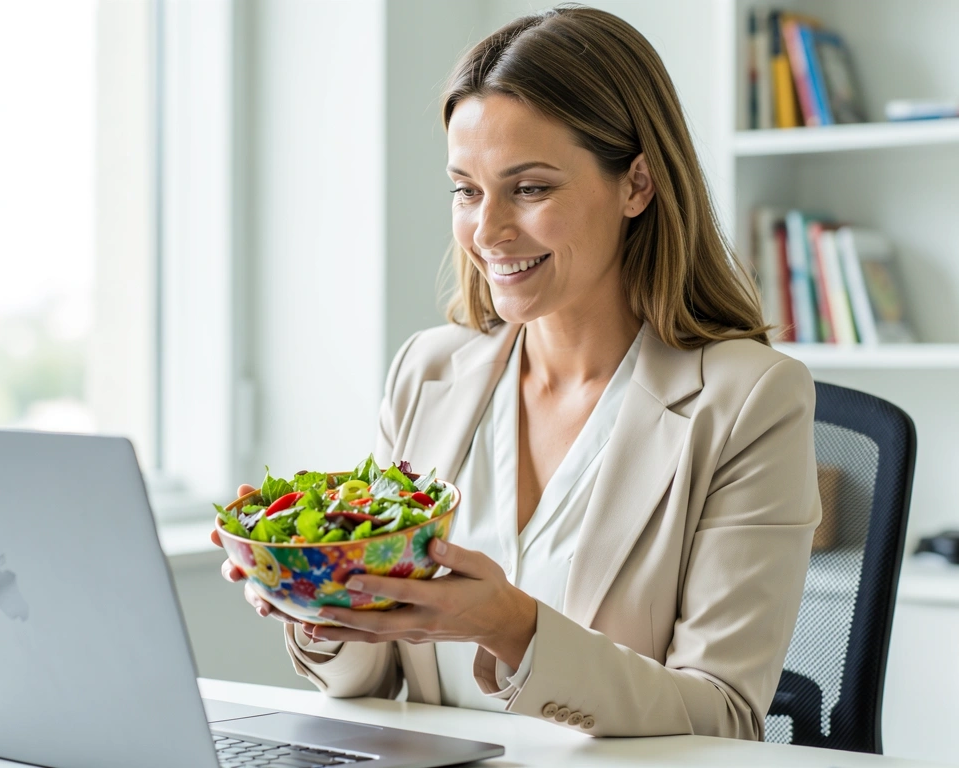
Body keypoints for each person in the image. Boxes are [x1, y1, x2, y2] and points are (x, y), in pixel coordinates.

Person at [212, 6, 820, 740]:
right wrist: (317, 599)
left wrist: (513, 628)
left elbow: (722, 715)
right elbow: (369, 680)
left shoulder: (750, 400)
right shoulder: (426, 372)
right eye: (466, 190)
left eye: (529, 189)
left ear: (637, 184)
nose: (487, 231)